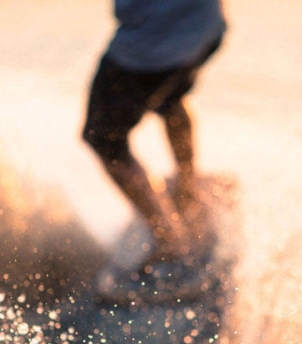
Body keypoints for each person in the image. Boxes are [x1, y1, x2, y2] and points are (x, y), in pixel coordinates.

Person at [82, 0, 227, 290]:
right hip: (204, 28)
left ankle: (171, 241)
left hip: (148, 49)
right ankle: (188, 189)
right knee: (170, 95)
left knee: (103, 138)